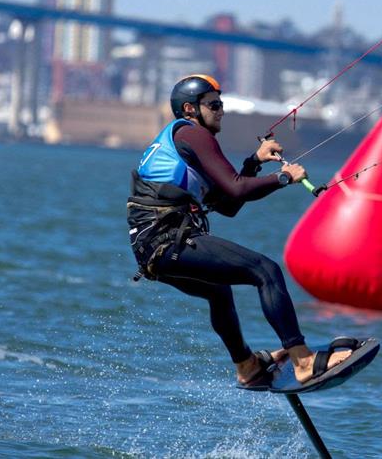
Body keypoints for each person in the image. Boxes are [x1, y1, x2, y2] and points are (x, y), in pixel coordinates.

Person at [127, 74, 351, 388]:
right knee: (266, 270)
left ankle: (247, 366)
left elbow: (227, 204)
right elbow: (236, 189)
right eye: (213, 105)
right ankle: (302, 361)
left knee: (219, 290)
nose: (221, 111)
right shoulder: (193, 135)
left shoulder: (183, 142)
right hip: (168, 241)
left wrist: (254, 163)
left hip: (152, 248)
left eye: (222, 104)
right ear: (190, 109)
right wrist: (283, 177)